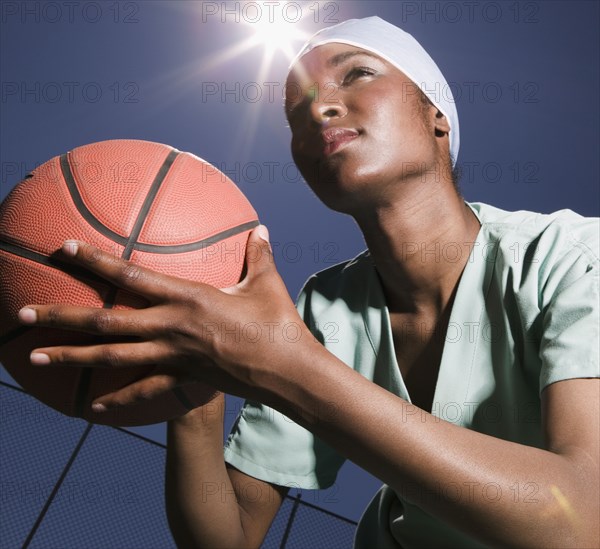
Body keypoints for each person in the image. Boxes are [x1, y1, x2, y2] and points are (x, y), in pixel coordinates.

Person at [18, 16, 599, 548]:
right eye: (298, 114)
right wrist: (194, 380)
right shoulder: (327, 307)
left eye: (358, 75)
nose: (320, 110)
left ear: (437, 116)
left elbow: (581, 519)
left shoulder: (570, 253)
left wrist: (285, 367)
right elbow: (229, 537)